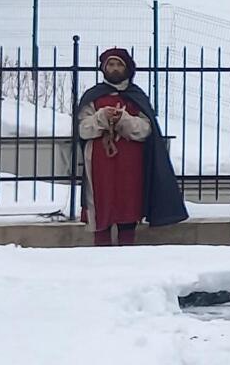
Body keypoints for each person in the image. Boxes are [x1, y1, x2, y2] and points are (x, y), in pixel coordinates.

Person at [74, 48, 188, 246]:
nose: (115, 69)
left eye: (119, 65)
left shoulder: (136, 96)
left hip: (130, 165)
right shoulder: (93, 97)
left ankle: (128, 250)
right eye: (111, 64)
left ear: (127, 68)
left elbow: (146, 130)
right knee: (101, 206)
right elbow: (83, 130)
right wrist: (101, 118)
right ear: (103, 68)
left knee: (128, 205)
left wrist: (124, 120)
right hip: (100, 165)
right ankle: (100, 253)